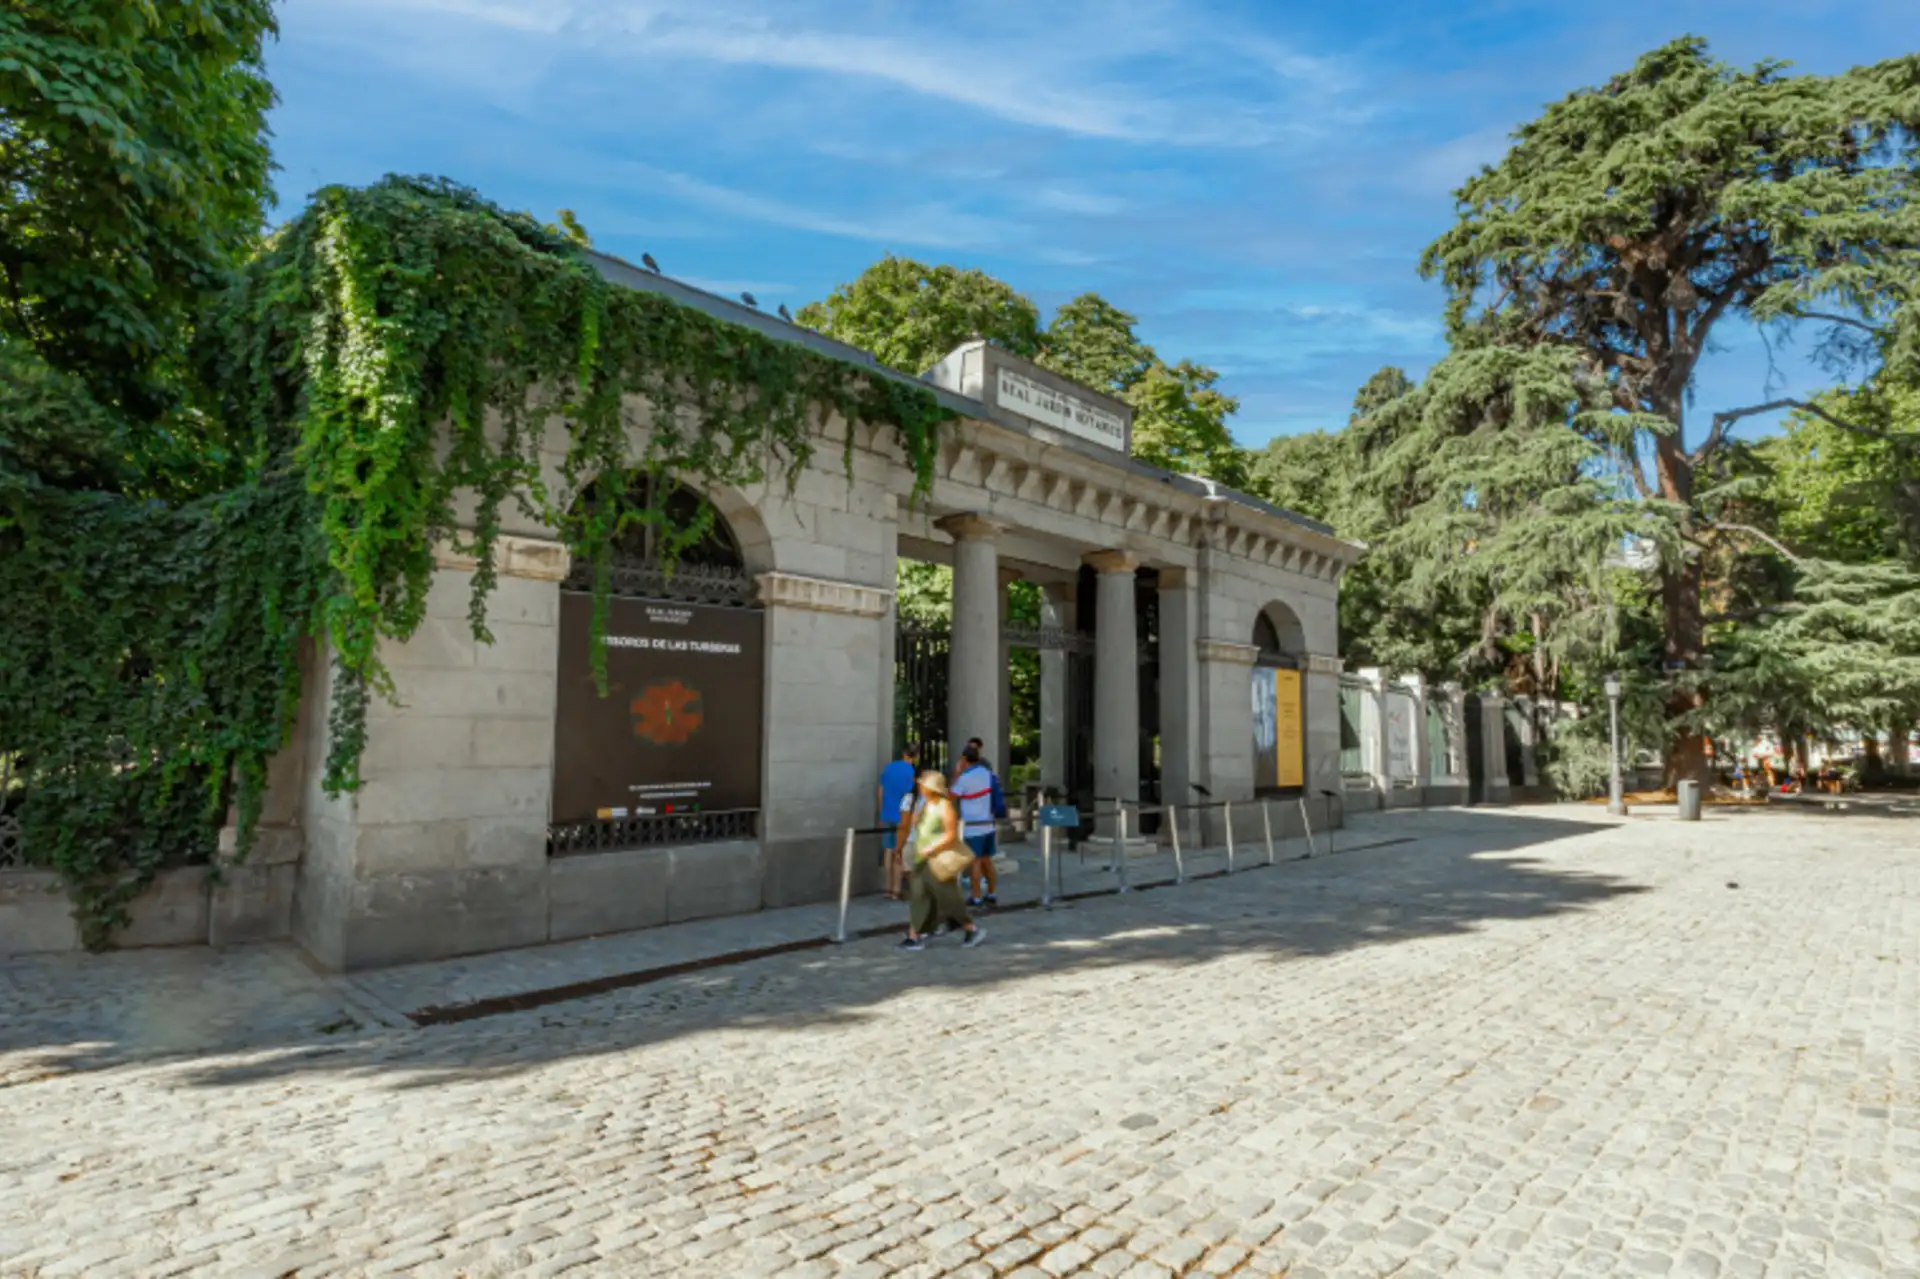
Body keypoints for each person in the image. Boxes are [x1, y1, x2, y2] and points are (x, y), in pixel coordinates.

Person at [897, 770, 983, 951]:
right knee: (919, 896)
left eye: (923, 784)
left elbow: (951, 835)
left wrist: (932, 848)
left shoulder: (945, 806)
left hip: (938, 860)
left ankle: (970, 928)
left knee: (948, 898)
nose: (920, 787)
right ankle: (915, 936)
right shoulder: (926, 805)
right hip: (922, 858)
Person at [951, 742, 1002, 908]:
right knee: (987, 860)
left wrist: (957, 773)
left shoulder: (965, 779)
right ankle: (992, 893)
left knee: (975, 862)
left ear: (965, 759)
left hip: (973, 827)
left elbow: (952, 796)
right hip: (988, 823)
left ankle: (976, 896)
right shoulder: (988, 774)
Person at [876, 743, 920, 901]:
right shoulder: (910, 772)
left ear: (903, 753)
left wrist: (882, 811)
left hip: (887, 814)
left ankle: (887, 887)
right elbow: (910, 797)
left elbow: (880, 790)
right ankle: (896, 889)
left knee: (888, 851)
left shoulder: (889, 768)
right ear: (916, 756)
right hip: (901, 817)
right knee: (898, 851)